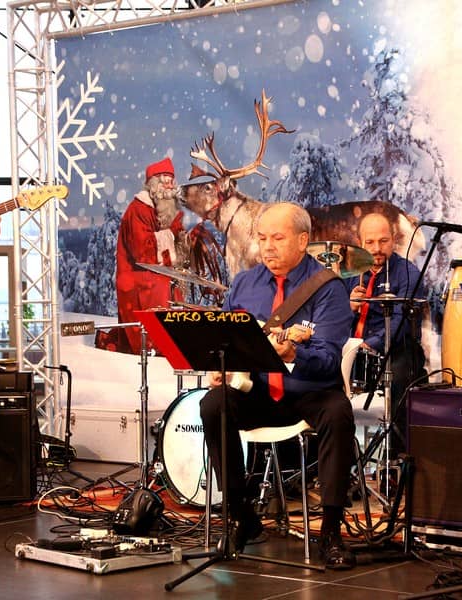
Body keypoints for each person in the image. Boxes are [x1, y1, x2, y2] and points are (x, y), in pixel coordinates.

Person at [199, 202, 357, 569]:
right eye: (262, 238)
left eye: (278, 238)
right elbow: (227, 341)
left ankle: (330, 532)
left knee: (338, 412)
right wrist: (222, 367)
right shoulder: (245, 283)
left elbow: (328, 361)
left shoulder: (328, 288)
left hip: (309, 392)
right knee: (213, 404)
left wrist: (294, 354)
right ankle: (241, 515)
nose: (267, 247)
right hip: (257, 392)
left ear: (302, 241)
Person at [347, 212, 426, 455]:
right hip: (351, 348)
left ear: (394, 239)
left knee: (402, 376)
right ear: (359, 243)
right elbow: (331, 319)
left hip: (396, 348)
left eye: (383, 241)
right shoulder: (347, 275)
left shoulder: (408, 273)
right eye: (370, 242)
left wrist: (370, 344)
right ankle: (333, 459)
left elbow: (402, 322)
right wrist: (348, 308)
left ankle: (397, 457)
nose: (377, 249)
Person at [115, 157, 185, 353]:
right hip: (139, 282)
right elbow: (143, 253)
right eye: (165, 181)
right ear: (154, 184)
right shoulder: (139, 209)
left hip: (156, 279)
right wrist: (171, 233)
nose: (170, 187)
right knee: (161, 295)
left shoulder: (163, 210)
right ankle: (158, 347)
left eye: (171, 182)